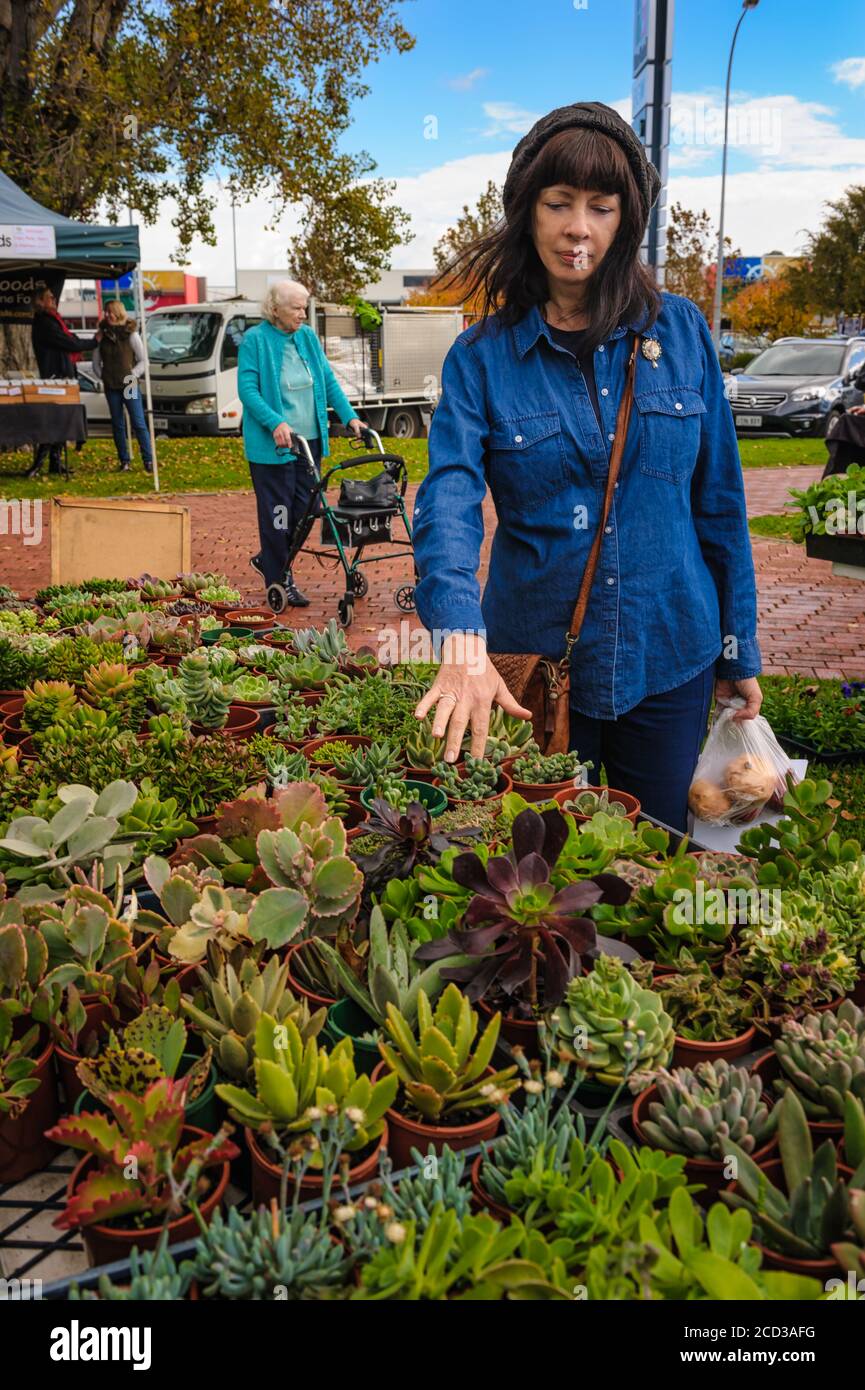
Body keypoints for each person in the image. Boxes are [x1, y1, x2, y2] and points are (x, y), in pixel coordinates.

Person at [411, 102, 763, 833]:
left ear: (624, 220)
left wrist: (739, 645)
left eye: (600, 207)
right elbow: (447, 497)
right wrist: (458, 636)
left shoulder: (683, 332)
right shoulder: (480, 358)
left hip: (670, 651)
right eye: (558, 203)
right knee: (534, 863)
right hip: (532, 665)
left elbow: (719, 500)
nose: (578, 227)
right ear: (526, 212)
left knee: (655, 853)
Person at [238, 279, 365, 612]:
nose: (302, 314)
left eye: (304, 306)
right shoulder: (255, 340)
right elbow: (248, 390)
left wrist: (350, 417)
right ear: (275, 308)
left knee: (306, 510)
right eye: (296, 308)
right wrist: (275, 422)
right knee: (278, 515)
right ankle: (280, 578)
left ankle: (271, 558)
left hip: (308, 444)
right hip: (274, 447)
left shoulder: (307, 337)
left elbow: (327, 380)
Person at [27, 286, 92, 478]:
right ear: (41, 301)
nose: (54, 299)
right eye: (50, 297)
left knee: (60, 420)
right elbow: (69, 342)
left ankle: (54, 462)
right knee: (52, 420)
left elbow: (70, 338)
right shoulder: (45, 323)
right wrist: (94, 342)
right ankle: (38, 464)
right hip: (55, 377)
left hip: (62, 375)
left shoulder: (54, 321)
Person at [90, 299, 153, 473]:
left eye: (111, 312)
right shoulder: (101, 336)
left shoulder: (131, 334)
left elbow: (143, 360)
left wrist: (132, 375)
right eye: (106, 312)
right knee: (117, 424)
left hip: (129, 383)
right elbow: (95, 363)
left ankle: (148, 459)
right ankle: (124, 460)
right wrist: (103, 376)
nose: (108, 315)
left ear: (118, 312)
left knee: (138, 422)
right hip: (111, 385)